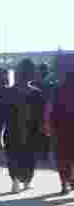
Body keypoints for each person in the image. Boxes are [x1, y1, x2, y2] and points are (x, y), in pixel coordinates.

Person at [4, 59, 47, 193]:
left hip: (13, 130)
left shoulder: (9, 92)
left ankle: (16, 182)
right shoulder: (36, 93)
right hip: (31, 131)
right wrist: (43, 129)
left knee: (13, 156)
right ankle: (26, 182)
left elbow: (2, 113)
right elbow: (41, 115)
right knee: (30, 156)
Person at [45, 56, 74, 195]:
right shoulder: (57, 89)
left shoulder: (57, 89)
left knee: (62, 157)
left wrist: (48, 125)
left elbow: (49, 108)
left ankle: (64, 183)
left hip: (60, 128)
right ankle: (70, 180)